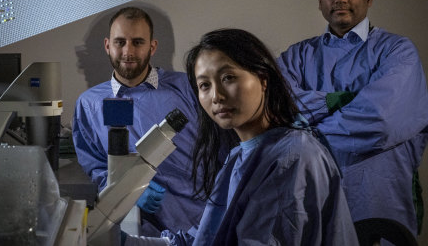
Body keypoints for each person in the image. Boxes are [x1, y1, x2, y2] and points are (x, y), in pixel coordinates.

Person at [148, 28, 356, 246]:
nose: (216, 96)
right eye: (204, 85)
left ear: (263, 79)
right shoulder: (239, 156)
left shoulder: (292, 156)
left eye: (228, 77)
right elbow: (204, 237)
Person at [277, 0, 428, 237]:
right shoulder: (296, 56)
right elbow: (277, 108)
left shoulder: (397, 51)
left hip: (380, 198)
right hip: (313, 197)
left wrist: (306, 132)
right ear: (320, 0)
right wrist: (342, 100)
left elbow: (380, 120)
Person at [72, 6, 205, 236]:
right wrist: (127, 191)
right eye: (120, 42)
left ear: (152, 46)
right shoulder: (89, 104)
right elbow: (96, 167)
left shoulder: (188, 88)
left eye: (138, 42)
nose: (128, 51)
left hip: (198, 222)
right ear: (107, 46)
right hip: (138, 230)